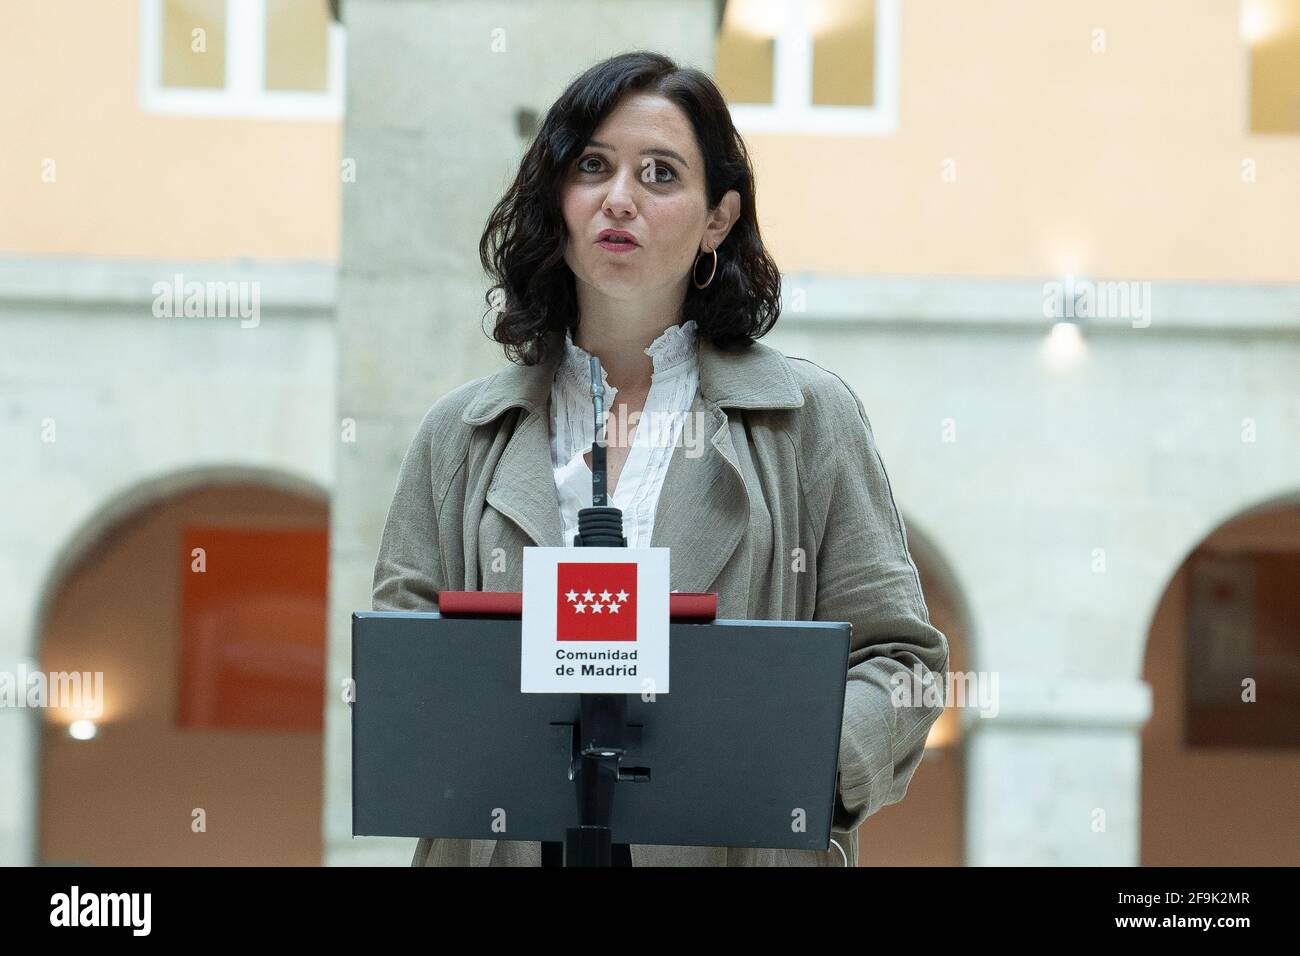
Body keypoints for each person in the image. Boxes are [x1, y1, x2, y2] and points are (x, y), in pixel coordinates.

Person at [372, 50, 949, 867]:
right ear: (558, 199)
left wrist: (797, 766)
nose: (619, 199)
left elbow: (904, 665)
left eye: (660, 174)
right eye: (593, 166)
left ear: (718, 219)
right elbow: (404, 670)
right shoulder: (457, 436)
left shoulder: (810, 420)